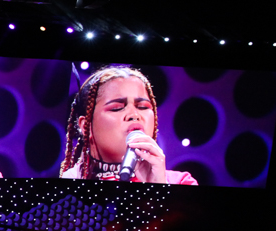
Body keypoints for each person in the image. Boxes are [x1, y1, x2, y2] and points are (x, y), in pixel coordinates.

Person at [59, 65, 198, 184]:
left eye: (143, 107)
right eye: (117, 108)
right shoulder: (67, 182)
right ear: (86, 126)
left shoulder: (180, 182)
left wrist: (158, 187)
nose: (134, 115)